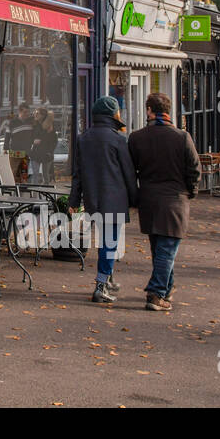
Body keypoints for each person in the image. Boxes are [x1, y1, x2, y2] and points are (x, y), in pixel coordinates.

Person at [128, 92, 201, 312]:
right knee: (167, 250)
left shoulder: (137, 137)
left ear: (149, 110)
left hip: (149, 199)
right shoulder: (182, 137)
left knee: (159, 248)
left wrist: (135, 197)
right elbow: (194, 169)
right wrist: (191, 191)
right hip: (175, 200)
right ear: (168, 111)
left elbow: (130, 171)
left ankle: (166, 288)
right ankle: (157, 292)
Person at [68, 96, 137, 304]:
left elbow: (77, 174)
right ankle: (101, 284)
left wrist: (73, 201)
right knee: (109, 243)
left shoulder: (83, 138)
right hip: (115, 198)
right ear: (113, 114)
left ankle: (107, 279)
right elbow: (128, 173)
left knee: (105, 241)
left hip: (93, 198)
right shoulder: (118, 140)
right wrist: (135, 199)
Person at [30, 108, 57, 181]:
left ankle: (46, 191)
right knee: (35, 174)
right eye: (35, 113)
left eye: (37, 113)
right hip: (35, 153)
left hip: (46, 154)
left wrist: (50, 152)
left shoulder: (50, 127)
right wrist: (33, 141)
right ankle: (34, 191)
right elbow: (29, 137)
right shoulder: (34, 125)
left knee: (45, 175)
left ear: (43, 115)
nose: (35, 114)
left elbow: (54, 141)